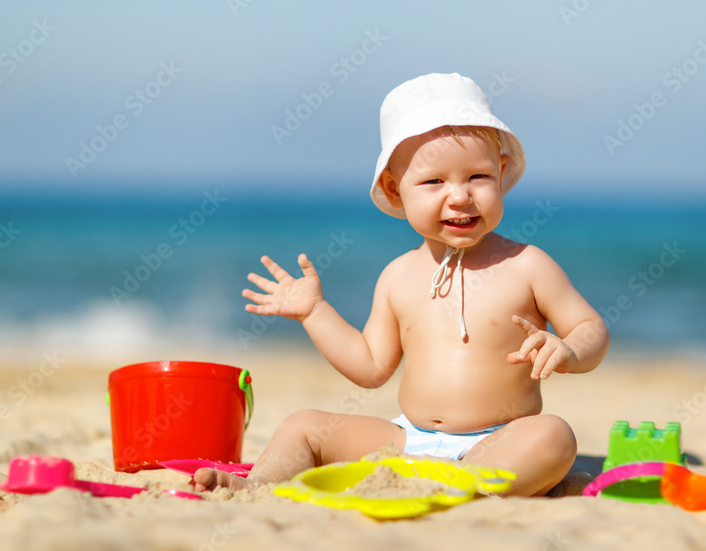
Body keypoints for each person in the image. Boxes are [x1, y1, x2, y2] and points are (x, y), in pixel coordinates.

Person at [195, 73, 609, 496]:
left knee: (553, 435)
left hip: (498, 440)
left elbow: (591, 328)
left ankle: (465, 487)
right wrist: (315, 313)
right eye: (434, 181)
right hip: (407, 444)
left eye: (477, 177)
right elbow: (371, 367)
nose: (460, 196)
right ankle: (258, 485)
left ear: (501, 173)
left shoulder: (528, 264)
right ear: (396, 191)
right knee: (303, 425)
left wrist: (570, 349)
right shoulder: (398, 276)